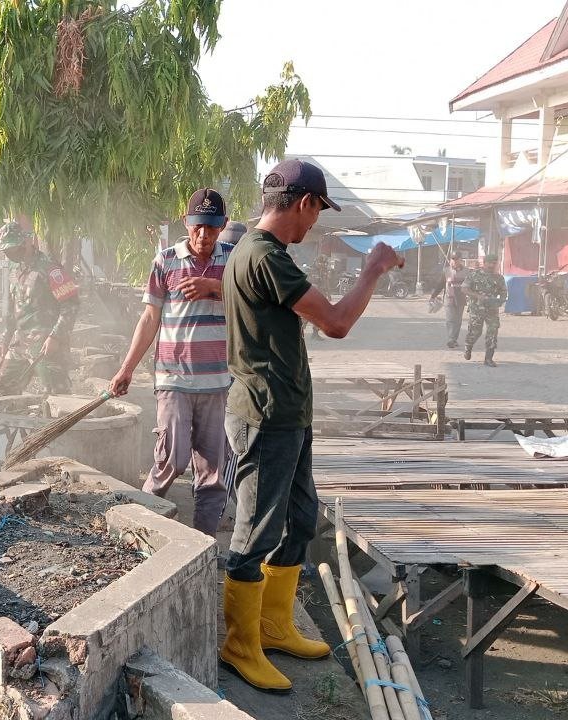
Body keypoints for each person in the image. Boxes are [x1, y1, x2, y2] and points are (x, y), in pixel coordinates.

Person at [220, 159, 402, 693]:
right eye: (317, 212)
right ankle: (238, 644)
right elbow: (337, 323)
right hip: (265, 415)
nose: (315, 225)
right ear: (303, 203)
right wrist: (373, 270)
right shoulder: (264, 256)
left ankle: (273, 627)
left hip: (288, 413)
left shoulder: (258, 255)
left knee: (300, 523)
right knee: (254, 533)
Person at [109, 188, 233, 536]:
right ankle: (139, 530)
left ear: (222, 225)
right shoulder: (166, 260)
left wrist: (213, 286)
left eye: (211, 227)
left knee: (212, 475)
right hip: (174, 378)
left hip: (218, 382)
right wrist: (126, 368)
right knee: (171, 461)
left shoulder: (236, 261)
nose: (204, 235)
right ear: (186, 223)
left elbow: (256, 298)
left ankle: (202, 547)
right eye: (198, 226)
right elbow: (149, 318)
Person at [0, 222, 80, 396]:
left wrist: (55, 336)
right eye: (5, 252)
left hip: (47, 345)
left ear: (25, 243)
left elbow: (70, 305)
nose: (8, 255)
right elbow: (12, 309)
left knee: (57, 396)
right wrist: (5, 338)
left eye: (11, 250)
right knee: (2, 389)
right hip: (21, 343)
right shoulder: (15, 270)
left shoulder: (50, 268)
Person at [463, 254, 507, 367]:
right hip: (477, 309)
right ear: (484, 262)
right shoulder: (474, 274)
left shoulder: (499, 278)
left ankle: (488, 358)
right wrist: (477, 295)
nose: (492, 265)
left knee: (492, 332)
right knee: (475, 332)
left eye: (494, 263)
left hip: (492, 309)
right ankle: (468, 346)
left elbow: (503, 292)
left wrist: (500, 300)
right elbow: (464, 288)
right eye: (490, 263)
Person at [436, 252, 469, 348]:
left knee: (458, 320)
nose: (454, 261)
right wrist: (433, 296)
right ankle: (451, 339)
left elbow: (471, 285)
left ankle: (454, 339)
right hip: (449, 298)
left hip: (461, 299)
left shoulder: (467, 271)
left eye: (456, 259)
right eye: (452, 259)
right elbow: (441, 284)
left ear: (460, 260)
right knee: (450, 320)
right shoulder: (446, 271)